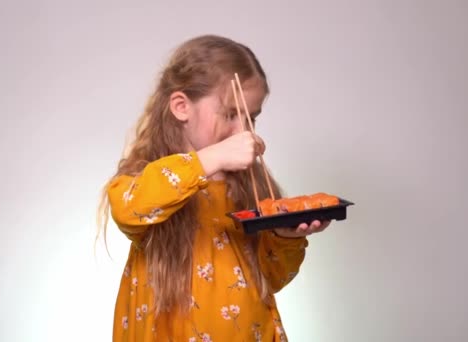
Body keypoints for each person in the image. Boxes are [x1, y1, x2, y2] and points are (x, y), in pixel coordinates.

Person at [97, 34, 332, 341]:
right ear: (182, 107)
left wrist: (285, 239)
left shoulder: (251, 182)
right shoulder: (154, 175)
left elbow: (273, 278)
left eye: (252, 118)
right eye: (231, 114)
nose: (244, 131)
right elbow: (130, 209)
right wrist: (208, 160)